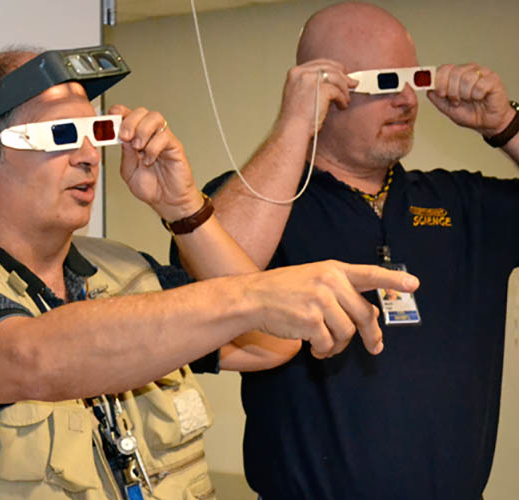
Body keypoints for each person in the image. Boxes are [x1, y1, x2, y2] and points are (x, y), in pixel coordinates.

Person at [0, 46, 417, 499]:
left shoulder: (121, 272)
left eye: (94, 135)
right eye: (60, 136)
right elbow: (34, 357)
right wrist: (253, 294)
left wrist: (183, 209)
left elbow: (269, 345)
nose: (87, 157)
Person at [185, 2, 519, 498]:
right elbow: (205, 291)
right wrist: (294, 124)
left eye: (413, 79)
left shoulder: (463, 202)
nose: (408, 100)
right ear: (324, 92)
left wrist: (507, 126)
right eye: (386, 83)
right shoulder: (268, 206)